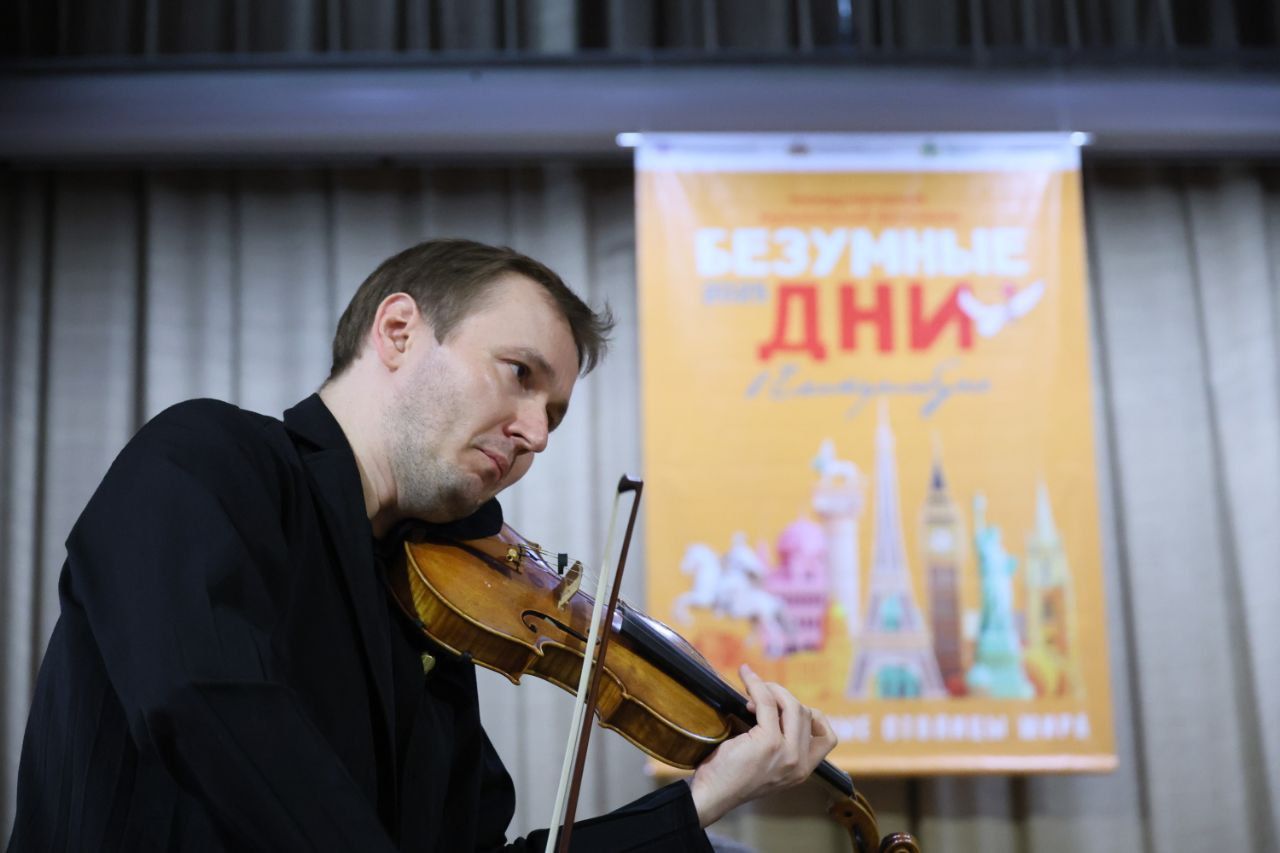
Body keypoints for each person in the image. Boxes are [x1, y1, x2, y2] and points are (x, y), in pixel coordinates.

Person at [8, 239, 838, 851]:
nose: (536, 433)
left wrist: (699, 800)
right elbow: (204, 702)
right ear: (399, 330)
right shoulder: (207, 459)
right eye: (520, 374)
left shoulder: (431, 614)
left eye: (554, 413)